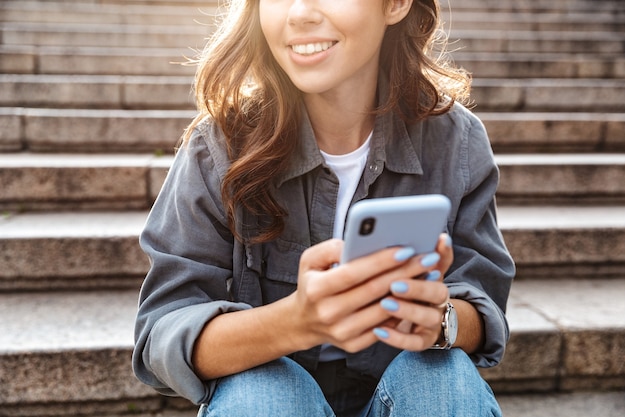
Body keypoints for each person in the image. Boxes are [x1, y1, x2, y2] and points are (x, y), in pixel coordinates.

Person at [132, 0, 515, 415]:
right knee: (259, 396)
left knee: (444, 382)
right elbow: (161, 335)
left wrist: (438, 320)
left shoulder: (456, 142)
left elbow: (483, 307)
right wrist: (294, 322)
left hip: (405, 395)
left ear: (397, 4)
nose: (298, 13)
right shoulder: (218, 147)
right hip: (273, 401)